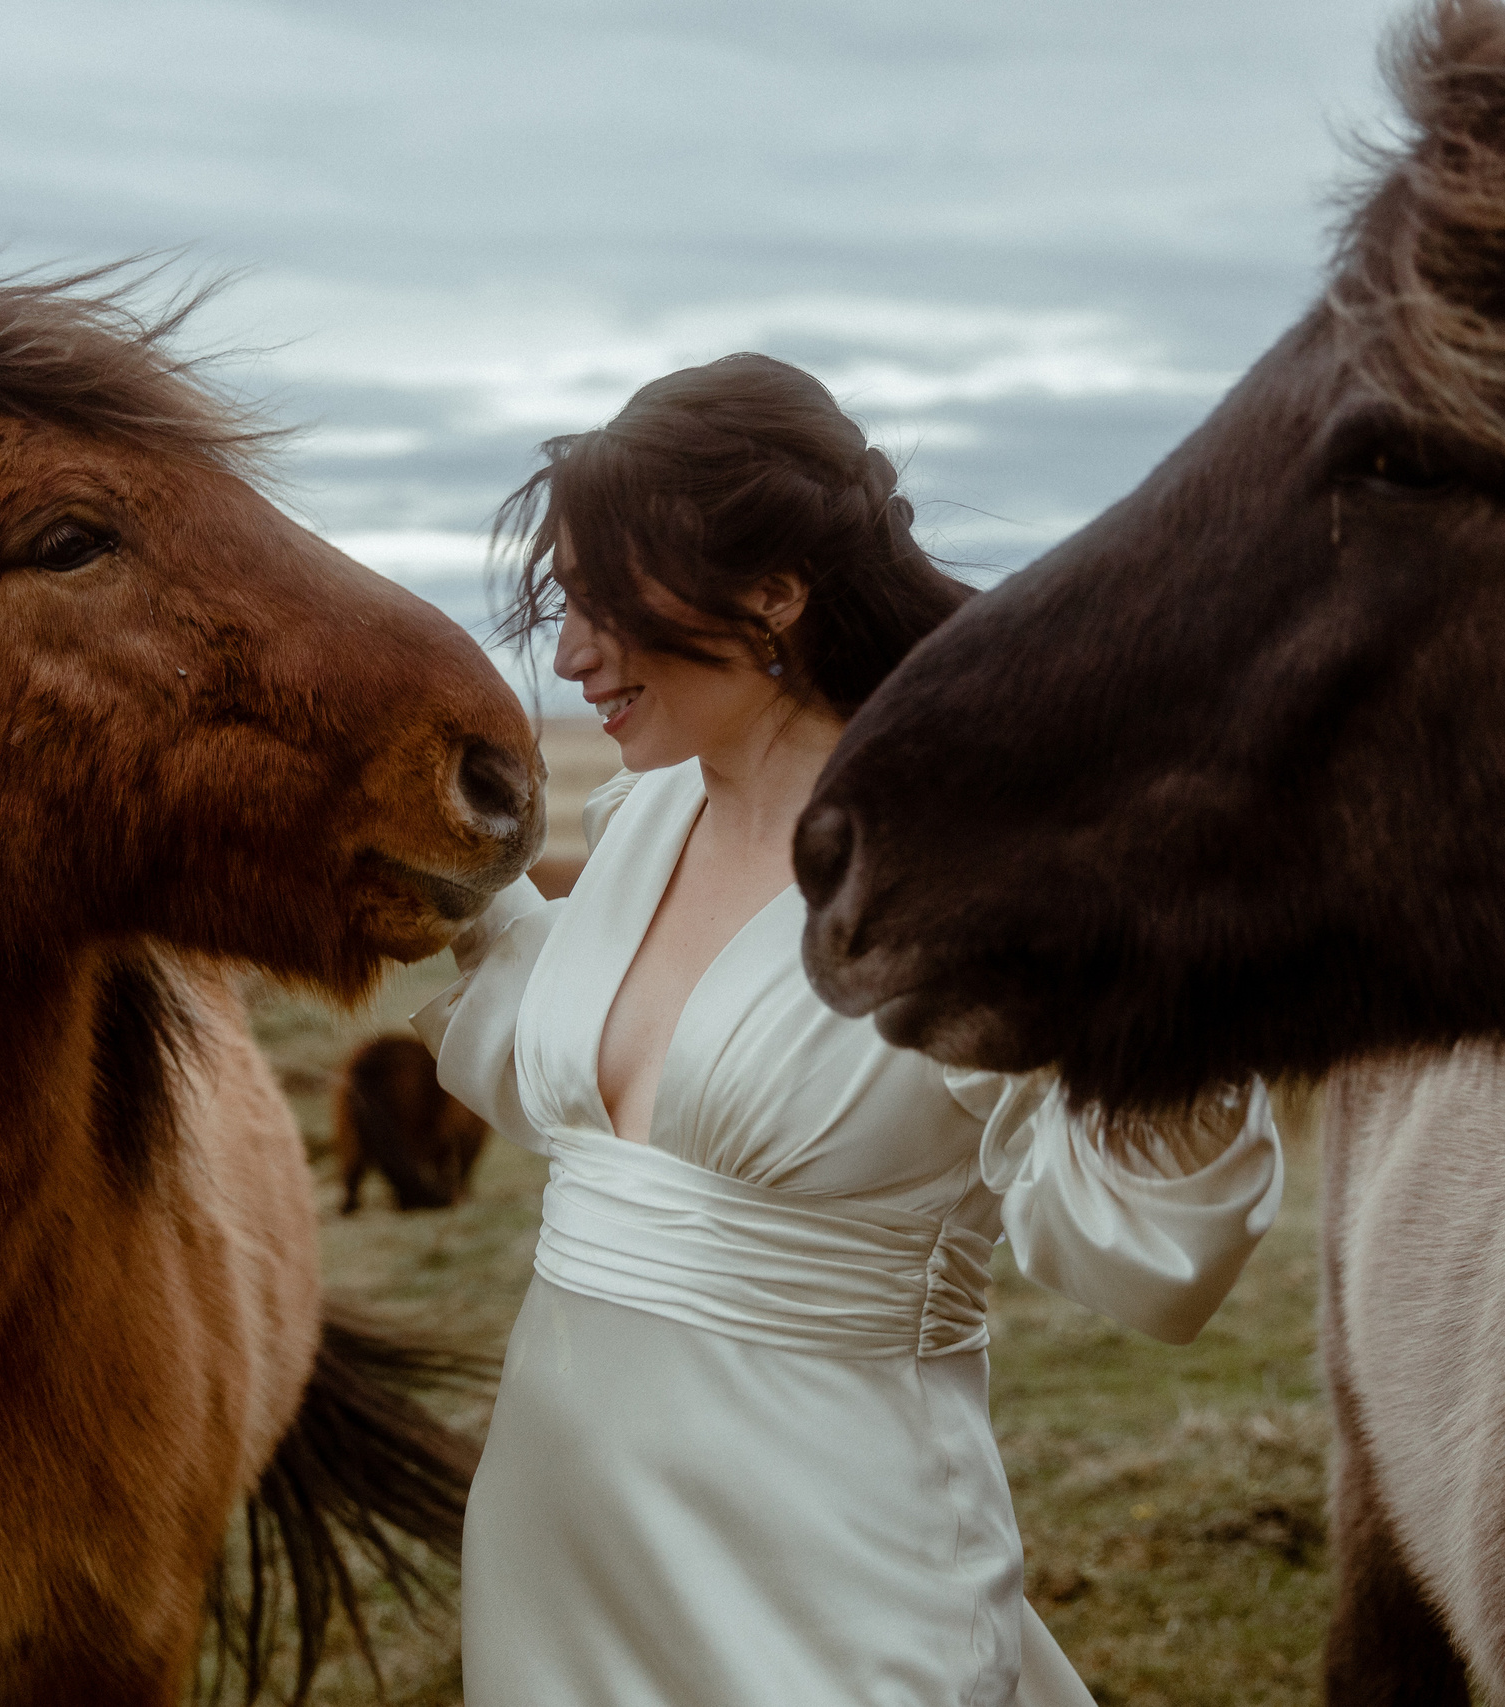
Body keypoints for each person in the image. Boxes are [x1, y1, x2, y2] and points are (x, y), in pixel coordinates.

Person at [415, 353, 1282, 1706]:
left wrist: (1172, 987)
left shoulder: (973, 872)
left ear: (771, 591)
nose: (571, 655)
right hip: (554, 1546)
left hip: (832, 1571)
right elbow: (577, 1064)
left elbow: (1150, 1257)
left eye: (603, 605)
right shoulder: (640, 822)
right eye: (562, 607)